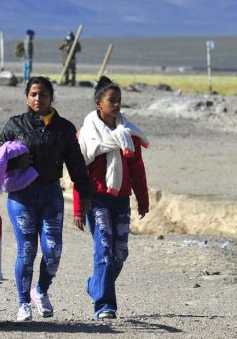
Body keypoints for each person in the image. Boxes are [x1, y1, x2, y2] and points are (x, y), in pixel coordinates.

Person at [0, 76, 93, 322]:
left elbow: (77, 165)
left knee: (53, 251)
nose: (38, 99)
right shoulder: (14, 125)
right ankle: (23, 303)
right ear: (27, 97)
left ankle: (40, 291)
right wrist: (16, 161)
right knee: (27, 250)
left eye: (43, 94)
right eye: (34, 94)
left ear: (51, 97)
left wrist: (85, 195)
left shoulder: (64, 128)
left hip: (51, 195)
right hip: (21, 197)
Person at [75, 76, 150, 320]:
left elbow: (137, 169)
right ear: (99, 103)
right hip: (96, 199)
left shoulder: (128, 133)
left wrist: (143, 199)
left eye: (119, 101)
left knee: (121, 252)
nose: (116, 105)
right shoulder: (87, 134)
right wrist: (78, 206)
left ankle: (95, 286)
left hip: (121, 198)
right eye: (111, 100)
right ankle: (105, 305)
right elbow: (79, 172)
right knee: (104, 249)